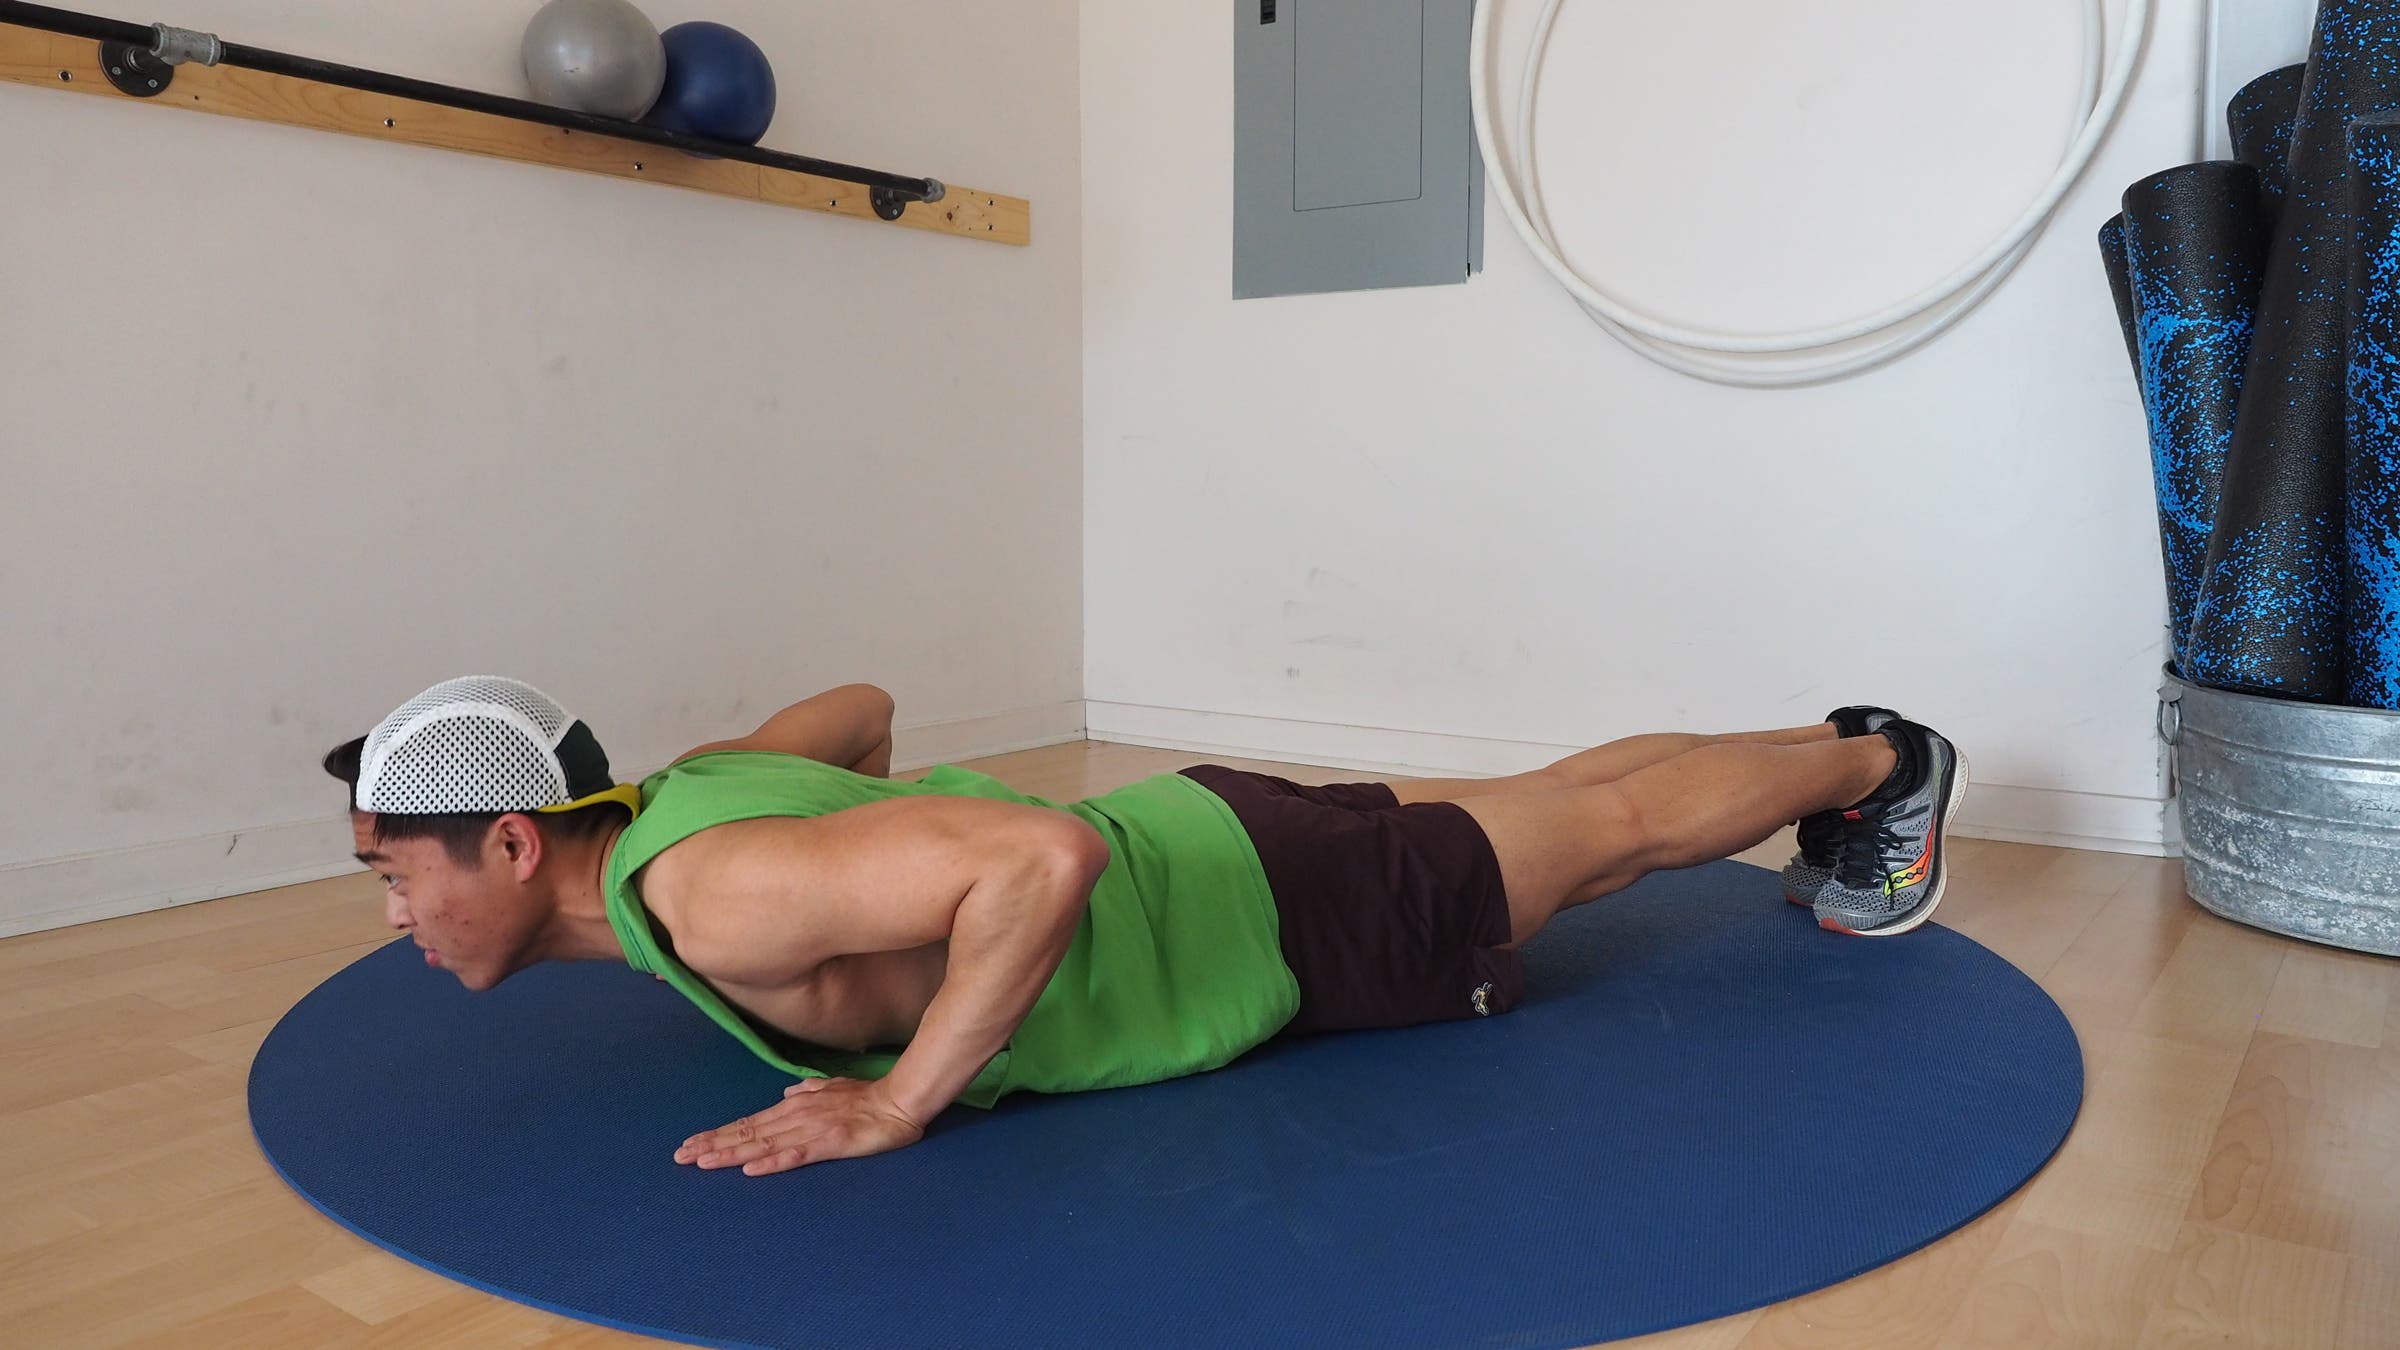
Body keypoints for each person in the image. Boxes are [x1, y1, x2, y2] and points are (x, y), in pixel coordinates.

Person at [327, 675, 1967, 1177]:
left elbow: (1035, 858)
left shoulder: (708, 893)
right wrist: (864, 860)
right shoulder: (686, 797)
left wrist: (903, 1096)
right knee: (1562, 815)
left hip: (1263, 907)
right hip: (1212, 829)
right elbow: (858, 711)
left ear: (522, 840)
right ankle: (1842, 751)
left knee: (1602, 841)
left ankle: (1888, 764)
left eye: (396, 873)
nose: (397, 909)